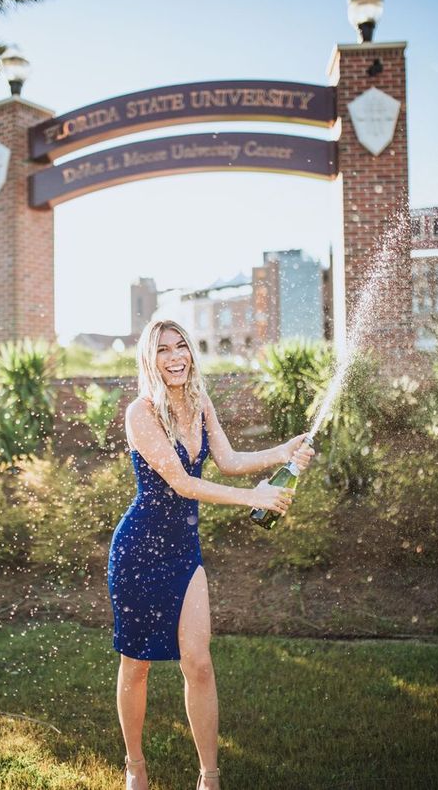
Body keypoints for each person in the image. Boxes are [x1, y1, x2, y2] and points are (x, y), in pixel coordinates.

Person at [107, 319, 315, 790]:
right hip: (139, 550)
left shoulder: (200, 403)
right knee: (135, 665)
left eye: (181, 346)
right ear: (149, 359)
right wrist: (254, 499)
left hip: (184, 551)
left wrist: (282, 451)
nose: (175, 356)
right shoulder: (141, 413)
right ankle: (135, 766)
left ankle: (209, 776)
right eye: (164, 349)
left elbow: (229, 461)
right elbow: (182, 483)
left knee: (198, 662)